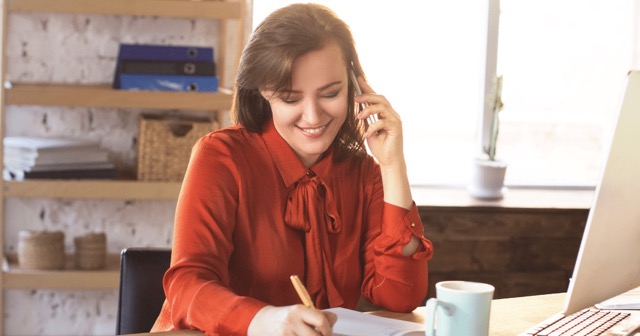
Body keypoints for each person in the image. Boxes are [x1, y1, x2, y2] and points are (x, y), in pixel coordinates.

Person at [151, 3, 433, 336]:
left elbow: (400, 297)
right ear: (263, 94)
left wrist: (393, 164)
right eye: (289, 98)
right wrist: (262, 319)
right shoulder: (221, 156)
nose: (313, 117)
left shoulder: (365, 174)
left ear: (356, 89)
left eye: (330, 93)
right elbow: (186, 286)